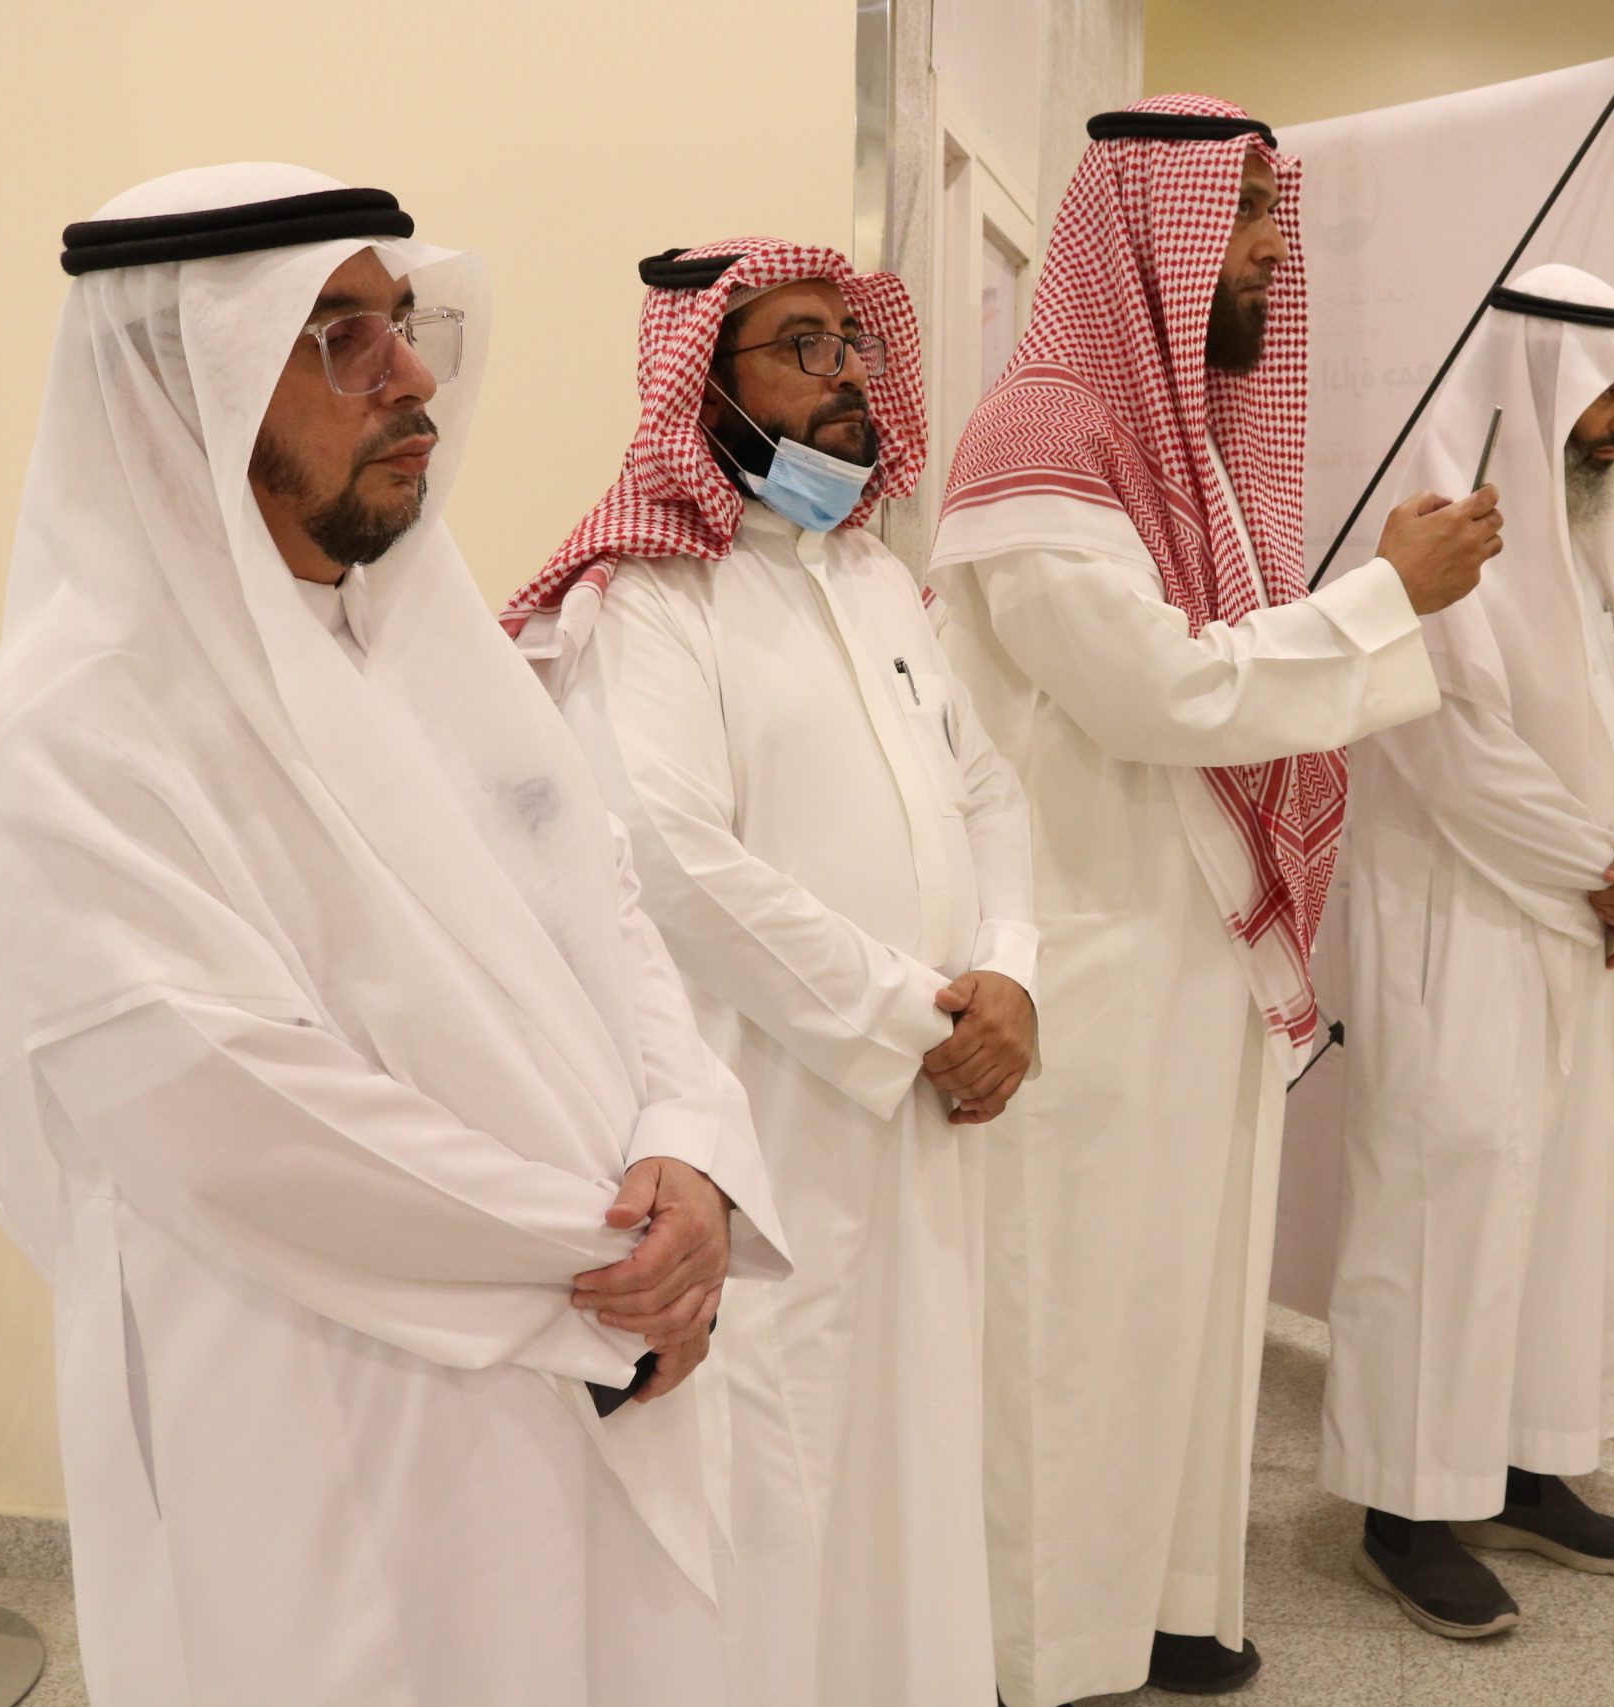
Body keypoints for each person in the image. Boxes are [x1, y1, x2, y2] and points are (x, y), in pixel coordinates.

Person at [0, 165, 785, 1707]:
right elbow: (234, 1116)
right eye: (338, 335)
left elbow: (602, 901)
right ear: (186, 382)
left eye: (402, 319)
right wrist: (612, 1253)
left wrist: (692, 1143)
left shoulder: (421, 631)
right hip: (330, 1408)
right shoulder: (81, 719)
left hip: (594, 1338)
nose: (411, 377)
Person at [927, 96, 1501, 1704]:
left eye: (1271, 212)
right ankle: (1044, 1644)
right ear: (1147, 228)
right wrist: (1386, 598)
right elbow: (1164, 693)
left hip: (1194, 961)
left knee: (1183, 1310)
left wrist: (1372, 595)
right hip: (1093, 959)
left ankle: (1168, 1600)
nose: (1269, 247)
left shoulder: (1178, 445)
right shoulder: (1043, 438)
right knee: (1080, 1320)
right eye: (1243, 212)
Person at [504, 239, 1035, 1706]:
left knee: (916, 1456)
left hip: (928, 1115)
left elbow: (988, 791)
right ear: (706, 386)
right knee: (787, 1481)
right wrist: (911, 1013)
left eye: (852, 343)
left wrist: (1010, 971)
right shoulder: (647, 598)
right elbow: (669, 858)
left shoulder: (875, 577)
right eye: (803, 346)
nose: (846, 373)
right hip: (775, 1125)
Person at [1321, 266, 1614, 1638]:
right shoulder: (1433, 526)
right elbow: (1444, 749)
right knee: (1448, 1207)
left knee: (1566, 1201)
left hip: (1588, 936)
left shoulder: (1600, 539)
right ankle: (1406, 1507)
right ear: (1537, 382)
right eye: (1610, 390)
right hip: (1463, 927)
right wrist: (1607, 871)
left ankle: (1528, 1461)